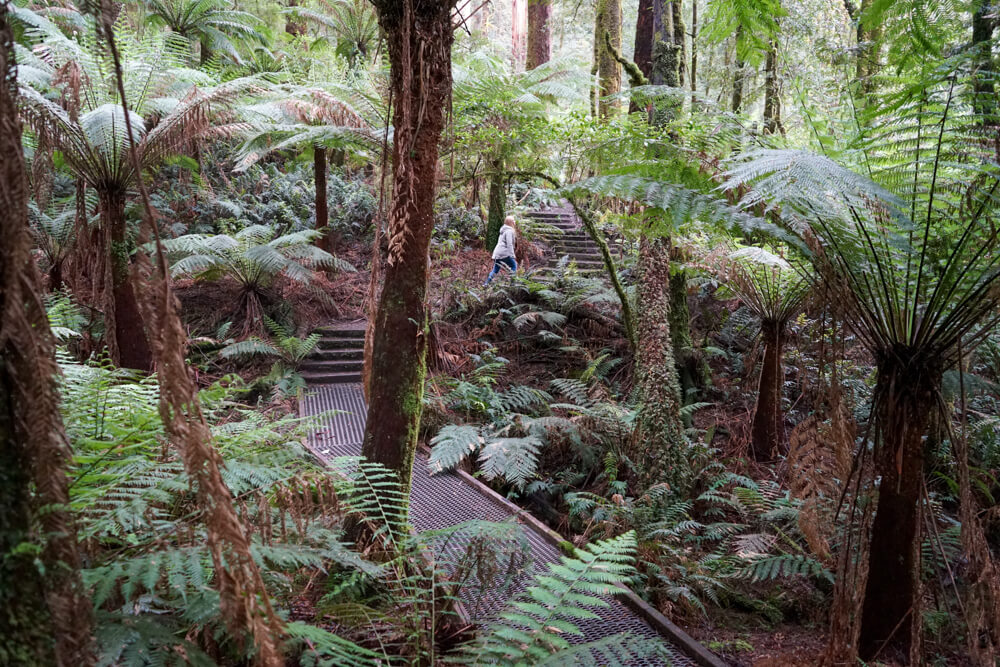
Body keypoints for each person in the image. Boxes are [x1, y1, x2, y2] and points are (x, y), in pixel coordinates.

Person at [483, 215, 518, 286]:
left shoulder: (503, 230)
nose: (515, 222)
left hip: (498, 253)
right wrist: (512, 255)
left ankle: (486, 284)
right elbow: (509, 244)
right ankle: (512, 284)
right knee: (514, 266)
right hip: (504, 253)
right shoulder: (509, 231)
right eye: (513, 220)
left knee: (495, 269)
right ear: (510, 222)